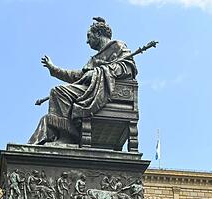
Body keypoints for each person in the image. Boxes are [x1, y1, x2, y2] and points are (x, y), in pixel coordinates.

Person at [29, 17, 137, 145]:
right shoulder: (93, 59)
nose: (87, 41)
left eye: (89, 36)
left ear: (98, 33)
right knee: (57, 91)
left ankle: (67, 137)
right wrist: (54, 69)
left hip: (106, 91)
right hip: (92, 89)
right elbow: (79, 77)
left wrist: (97, 72)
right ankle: (58, 134)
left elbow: (128, 68)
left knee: (59, 92)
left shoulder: (117, 46)